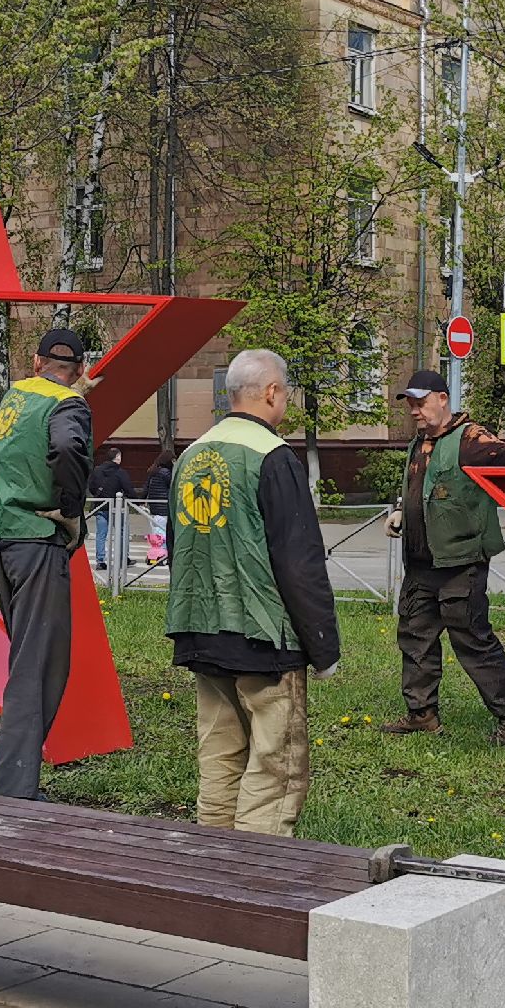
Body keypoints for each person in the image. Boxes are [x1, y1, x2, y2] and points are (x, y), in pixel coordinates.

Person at [167, 350, 341, 837]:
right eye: (284, 392)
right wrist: (323, 647)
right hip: (263, 636)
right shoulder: (274, 457)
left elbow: (180, 543)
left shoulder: (191, 455)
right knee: (276, 764)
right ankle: (255, 876)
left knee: (219, 754)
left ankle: (213, 863)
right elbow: (298, 560)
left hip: (199, 628)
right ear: (271, 392)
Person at [380, 370, 505, 746]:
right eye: (411, 405)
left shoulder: (469, 438)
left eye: (421, 403)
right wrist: (401, 510)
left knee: (472, 639)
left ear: (442, 399)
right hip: (421, 563)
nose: (415, 411)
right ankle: (422, 715)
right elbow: (421, 485)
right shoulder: (420, 443)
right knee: (415, 637)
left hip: (460, 561)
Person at [0, 327, 96, 801]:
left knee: (25, 659)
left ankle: (13, 780)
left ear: (35, 361)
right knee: (40, 666)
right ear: (80, 371)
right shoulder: (68, 405)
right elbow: (68, 447)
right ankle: (13, 789)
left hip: (1, 537)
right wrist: (71, 509)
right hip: (38, 541)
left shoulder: (14, 395)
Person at [87, 446, 137, 571]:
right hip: (116, 507)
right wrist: (136, 500)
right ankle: (122, 559)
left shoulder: (97, 470)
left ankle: (100, 561)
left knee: (101, 534)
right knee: (121, 532)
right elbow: (129, 489)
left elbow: (91, 486)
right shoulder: (120, 472)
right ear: (118, 458)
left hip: (100, 506)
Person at [142, 450, 175, 565]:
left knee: (157, 534)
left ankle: (154, 556)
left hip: (154, 508)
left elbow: (145, 489)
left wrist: (140, 501)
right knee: (164, 535)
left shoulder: (153, 471)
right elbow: (173, 488)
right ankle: (162, 557)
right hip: (164, 507)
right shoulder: (166, 473)